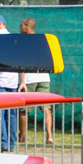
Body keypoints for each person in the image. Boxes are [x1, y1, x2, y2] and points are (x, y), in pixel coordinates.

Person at [0, 14, 24, 152]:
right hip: (12, 81)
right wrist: (22, 81)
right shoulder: (14, 39)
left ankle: (3, 143)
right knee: (11, 114)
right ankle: (11, 144)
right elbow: (20, 61)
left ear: (0, 24)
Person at [18, 17, 55, 145]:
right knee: (45, 108)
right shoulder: (43, 40)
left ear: (27, 26)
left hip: (30, 79)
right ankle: (49, 136)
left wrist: (22, 81)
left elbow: (21, 62)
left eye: (21, 25)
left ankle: (22, 137)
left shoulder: (24, 42)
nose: (19, 27)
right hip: (44, 78)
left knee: (23, 109)